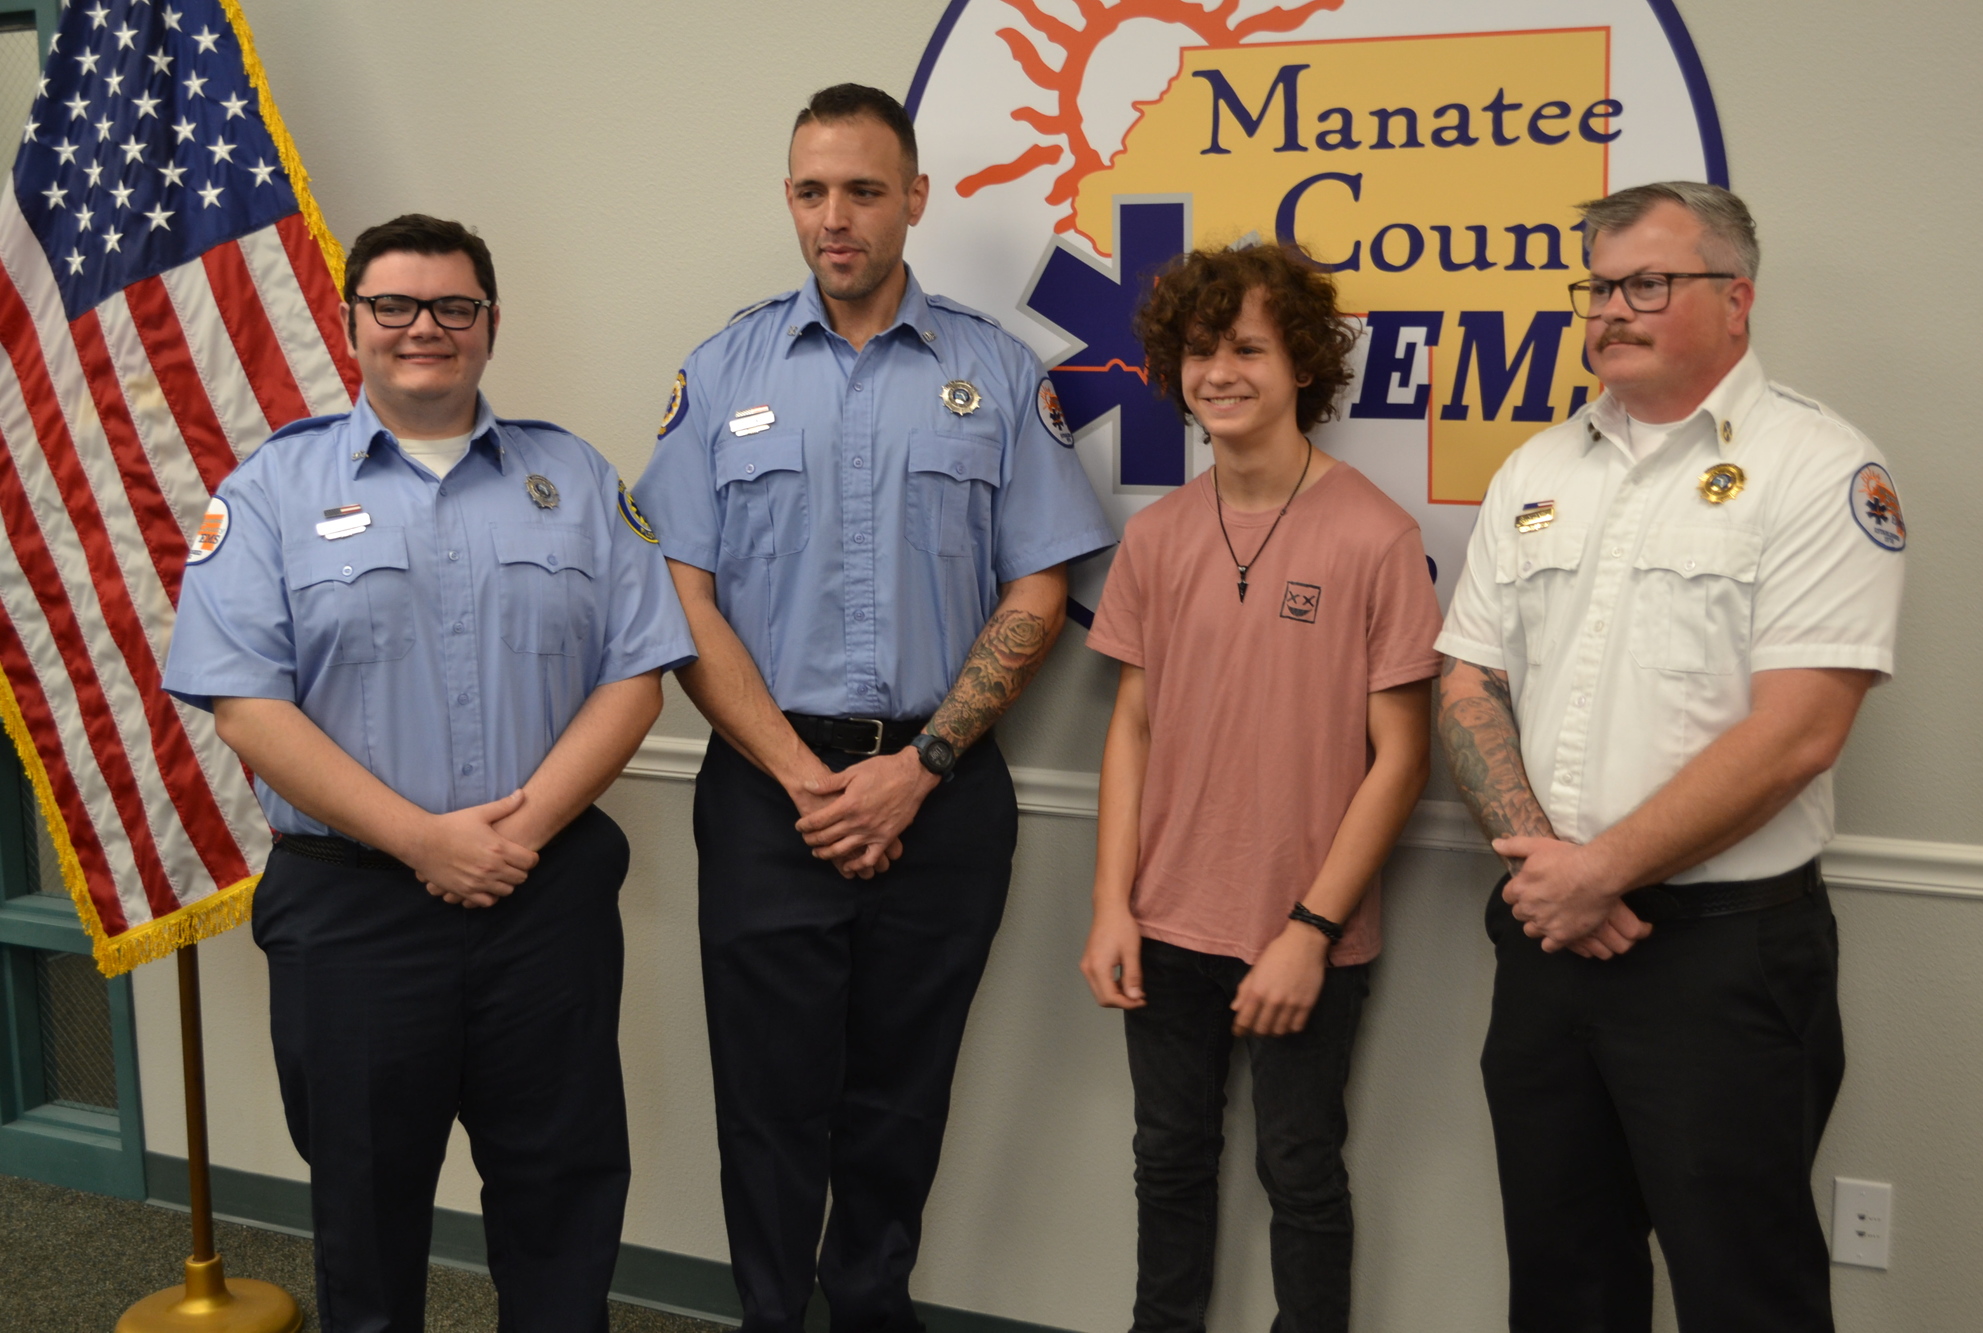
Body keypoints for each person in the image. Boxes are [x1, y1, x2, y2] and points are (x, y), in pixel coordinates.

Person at [631, 84, 1114, 1332]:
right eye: (809, 191)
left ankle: (870, 1309)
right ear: (788, 200)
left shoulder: (997, 373)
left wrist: (925, 762)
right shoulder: (722, 369)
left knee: (902, 1098)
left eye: (860, 189)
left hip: (940, 795)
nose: (833, 218)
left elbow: (1041, 582)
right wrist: (802, 776)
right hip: (762, 789)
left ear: (913, 198)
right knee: (768, 1099)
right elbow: (677, 593)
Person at [162, 214, 694, 1333]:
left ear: (490, 326)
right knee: (366, 1207)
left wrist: (511, 838)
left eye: (453, 307)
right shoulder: (266, 490)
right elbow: (246, 707)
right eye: (394, 306)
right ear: (352, 323)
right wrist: (422, 840)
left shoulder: (576, 476)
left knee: (563, 1193)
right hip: (352, 912)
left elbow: (635, 675)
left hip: (541, 900)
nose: (424, 330)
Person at [1435, 182, 1906, 1331]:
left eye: (1646, 281)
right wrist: (1553, 867)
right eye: (1595, 286)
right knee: (1560, 1282)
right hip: (1548, 941)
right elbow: (1466, 681)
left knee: (1742, 1290)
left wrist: (1601, 872)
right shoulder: (1535, 468)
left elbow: (1798, 726)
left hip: (1722, 960)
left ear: (1734, 300)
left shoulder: (1817, 467)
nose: (1610, 308)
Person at [1079, 245, 1440, 1333]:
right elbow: (1132, 725)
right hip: (1165, 916)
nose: (1219, 371)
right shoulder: (1156, 536)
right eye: (1199, 350)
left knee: (1300, 1169)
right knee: (1168, 1161)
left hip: (1304, 930)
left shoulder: (1376, 536)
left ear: (1301, 367)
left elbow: (1403, 758)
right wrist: (1110, 905)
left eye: (1246, 347)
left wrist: (1308, 929)